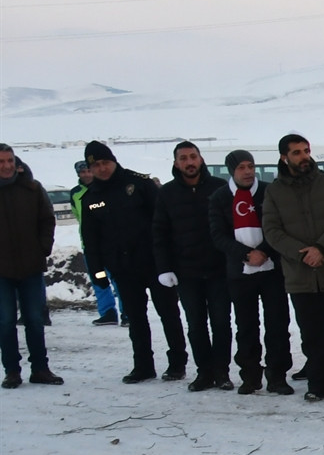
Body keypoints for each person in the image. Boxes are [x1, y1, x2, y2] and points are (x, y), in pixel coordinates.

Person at [263, 133, 324, 400]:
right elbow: (271, 230)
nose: (304, 156)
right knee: (312, 335)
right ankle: (317, 386)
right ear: (284, 157)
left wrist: (321, 248)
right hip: (299, 276)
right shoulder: (274, 191)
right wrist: (302, 253)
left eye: (306, 151)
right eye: (296, 152)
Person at [79, 141, 188, 383]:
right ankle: (143, 366)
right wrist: (98, 273)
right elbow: (91, 240)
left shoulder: (139, 184)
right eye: (96, 165)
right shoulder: (90, 198)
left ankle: (177, 363)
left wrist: (170, 260)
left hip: (155, 264)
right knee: (136, 319)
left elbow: (164, 222)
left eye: (105, 162)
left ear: (114, 161)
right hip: (123, 269)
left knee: (169, 315)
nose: (102, 168)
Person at [208, 149, 292, 395]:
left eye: (250, 166)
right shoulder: (220, 198)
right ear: (231, 171)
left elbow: (280, 227)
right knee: (246, 326)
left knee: (277, 324)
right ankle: (250, 375)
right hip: (239, 272)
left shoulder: (269, 191)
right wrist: (245, 254)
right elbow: (218, 236)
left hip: (271, 269)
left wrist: (263, 251)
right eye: (241, 167)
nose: (247, 172)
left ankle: (277, 376)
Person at [152, 141, 233, 390]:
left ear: (201, 159)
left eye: (193, 156)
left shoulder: (220, 188)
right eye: (183, 158)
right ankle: (204, 373)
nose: (189, 162)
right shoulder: (167, 193)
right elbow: (159, 233)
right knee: (196, 325)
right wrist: (164, 268)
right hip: (187, 273)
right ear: (176, 163)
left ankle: (222, 373)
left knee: (221, 323)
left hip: (219, 270)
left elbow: (232, 228)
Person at [0, 145, 61, 387]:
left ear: (16, 162)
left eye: (9, 160)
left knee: (35, 319)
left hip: (31, 267)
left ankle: (40, 369)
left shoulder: (32, 189)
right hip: (1, 271)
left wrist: (42, 248)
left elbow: (47, 219)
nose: (6, 166)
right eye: (1, 161)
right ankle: (12, 371)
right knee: (5, 321)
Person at [69, 160, 119, 325]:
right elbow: (78, 216)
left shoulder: (104, 189)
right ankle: (108, 312)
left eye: (88, 171)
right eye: (82, 172)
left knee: (118, 279)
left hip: (110, 243)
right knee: (99, 278)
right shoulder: (75, 193)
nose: (86, 175)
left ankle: (127, 313)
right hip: (90, 245)